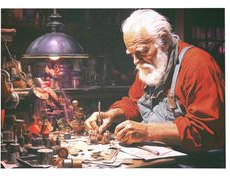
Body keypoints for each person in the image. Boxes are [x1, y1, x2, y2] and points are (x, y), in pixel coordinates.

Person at [85, 9, 225, 152]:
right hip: (161, 155)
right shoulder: (150, 65)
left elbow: (207, 131)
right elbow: (135, 103)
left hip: (197, 161)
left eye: (142, 51)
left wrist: (148, 131)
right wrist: (112, 115)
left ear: (164, 40)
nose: (135, 61)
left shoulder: (198, 65)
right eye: (132, 54)